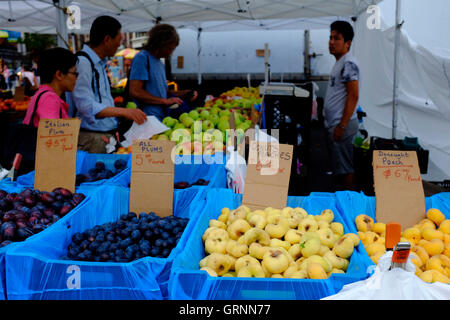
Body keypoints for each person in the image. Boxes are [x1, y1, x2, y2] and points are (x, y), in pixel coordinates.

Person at [67, 15, 147, 153]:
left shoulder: (99, 62)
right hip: (91, 138)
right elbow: (85, 106)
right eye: (118, 40)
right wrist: (125, 112)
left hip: (102, 136)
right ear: (107, 40)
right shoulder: (84, 63)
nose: (119, 45)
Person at [128, 23, 198, 121]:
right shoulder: (142, 58)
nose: (171, 52)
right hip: (146, 118)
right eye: (169, 48)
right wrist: (164, 101)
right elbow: (135, 91)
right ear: (160, 44)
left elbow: (160, 91)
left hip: (161, 117)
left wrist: (182, 93)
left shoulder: (159, 63)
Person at [324, 21, 360, 191]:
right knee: (340, 167)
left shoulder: (348, 63)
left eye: (336, 38)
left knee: (346, 168)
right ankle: (342, 197)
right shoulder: (340, 62)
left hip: (342, 125)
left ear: (347, 43)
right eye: (330, 37)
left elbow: (353, 95)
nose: (331, 42)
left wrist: (342, 125)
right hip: (336, 124)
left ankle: (348, 202)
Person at [23, 47, 78, 128]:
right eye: (74, 73)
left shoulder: (44, 95)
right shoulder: (49, 99)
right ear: (59, 74)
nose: (76, 78)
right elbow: (51, 137)